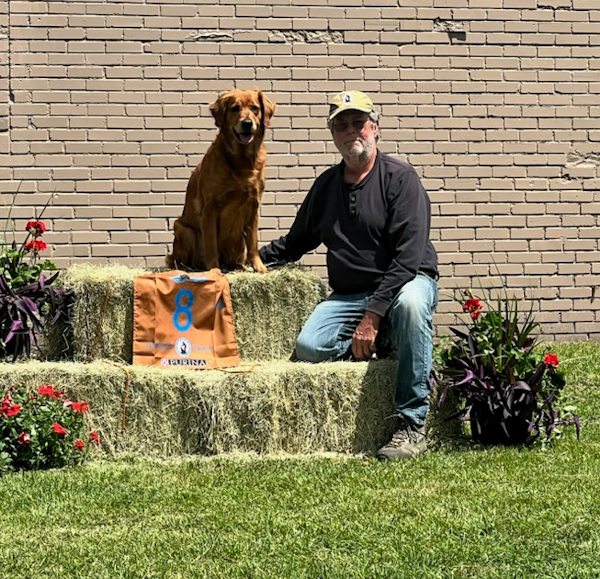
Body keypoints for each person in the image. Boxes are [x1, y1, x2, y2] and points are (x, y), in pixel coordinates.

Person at [259, 90, 439, 460]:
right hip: (350, 295)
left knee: (411, 307)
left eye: (358, 122)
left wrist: (374, 314)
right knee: (310, 348)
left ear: (375, 128)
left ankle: (412, 424)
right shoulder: (326, 186)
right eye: (341, 125)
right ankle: (390, 342)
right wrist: (244, 260)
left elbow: (408, 257)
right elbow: (294, 243)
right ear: (333, 135)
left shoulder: (401, 179)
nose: (350, 131)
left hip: (406, 281)